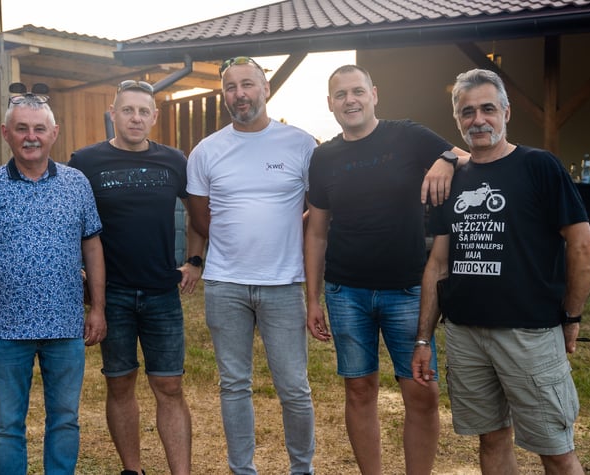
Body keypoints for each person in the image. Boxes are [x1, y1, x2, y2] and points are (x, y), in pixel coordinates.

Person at [412, 68, 590, 474]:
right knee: (491, 440)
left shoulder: (539, 166)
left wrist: (571, 318)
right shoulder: (452, 180)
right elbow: (438, 264)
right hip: (465, 335)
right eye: (467, 112)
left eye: (488, 109)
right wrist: (423, 338)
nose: (478, 119)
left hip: (528, 333)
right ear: (457, 119)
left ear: (506, 113)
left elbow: (584, 246)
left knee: (556, 449)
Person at [304, 64, 467, 474]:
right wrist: (313, 299)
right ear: (330, 104)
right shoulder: (323, 157)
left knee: (422, 393)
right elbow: (317, 233)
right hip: (346, 292)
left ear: (374, 94)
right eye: (341, 95)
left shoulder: (407, 135)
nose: (350, 100)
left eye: (357, 91)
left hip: (408, 290)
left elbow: (467, 157)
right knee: (359, 391)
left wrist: (447, 158)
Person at [0, 87, 107, 475]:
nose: (31, 137)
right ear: (6, 133)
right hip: (7, 330)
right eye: (21, 128)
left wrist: (98, 309)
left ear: (54, 133)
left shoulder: (76, 184)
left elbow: (92, 248)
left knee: (65, 420)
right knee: (7, 426)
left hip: (65, 327)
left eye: (39, 129)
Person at [186, 56, 317, 475]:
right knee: (233, 385)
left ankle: (302, 469)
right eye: (231, 87)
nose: (239, 94)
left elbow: (319, 211)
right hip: (225, 284)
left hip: (283, 284)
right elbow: (200, 218)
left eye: (247, 84)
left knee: (294, 387)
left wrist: (283, 229)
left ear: (266, 89)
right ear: (224, 95)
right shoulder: (207, 151)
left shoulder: (301, 144)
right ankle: (241, 469)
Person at [68, 80, 205, 475]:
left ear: (154, 117)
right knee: (120, 382)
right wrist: (76, 268)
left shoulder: (174, 160)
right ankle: (133, 469)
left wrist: (195, 261)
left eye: (144, 111)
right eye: (127, 110)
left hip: (162, 292)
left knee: (170, 386)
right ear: (113, 114)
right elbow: (68, 218)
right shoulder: (86, 161)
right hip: (111, 294)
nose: (135, 118)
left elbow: (197, 213)